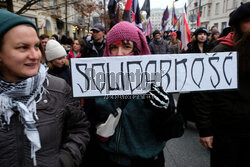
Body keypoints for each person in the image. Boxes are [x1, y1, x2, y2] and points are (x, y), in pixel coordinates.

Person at [82, 21, 184, 167]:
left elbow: (175, 131)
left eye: (127, 47)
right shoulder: (98, 84)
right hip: (108, 160)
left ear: (138, 50)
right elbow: (87, 125)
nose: (119, 54)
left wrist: (165, 112)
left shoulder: (155, 83)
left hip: (146, 162)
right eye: (113, 47)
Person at [0, 9, 90, 167]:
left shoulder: (58, 88)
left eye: (36, 47)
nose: (35, 55)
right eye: (22, 47)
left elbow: (79, 129)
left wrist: (64, 160)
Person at [193, 2, 250, 167]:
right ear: (237, 26)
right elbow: (204, 93)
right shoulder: (222, 52)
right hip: (227, 130)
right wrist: (205, 130)